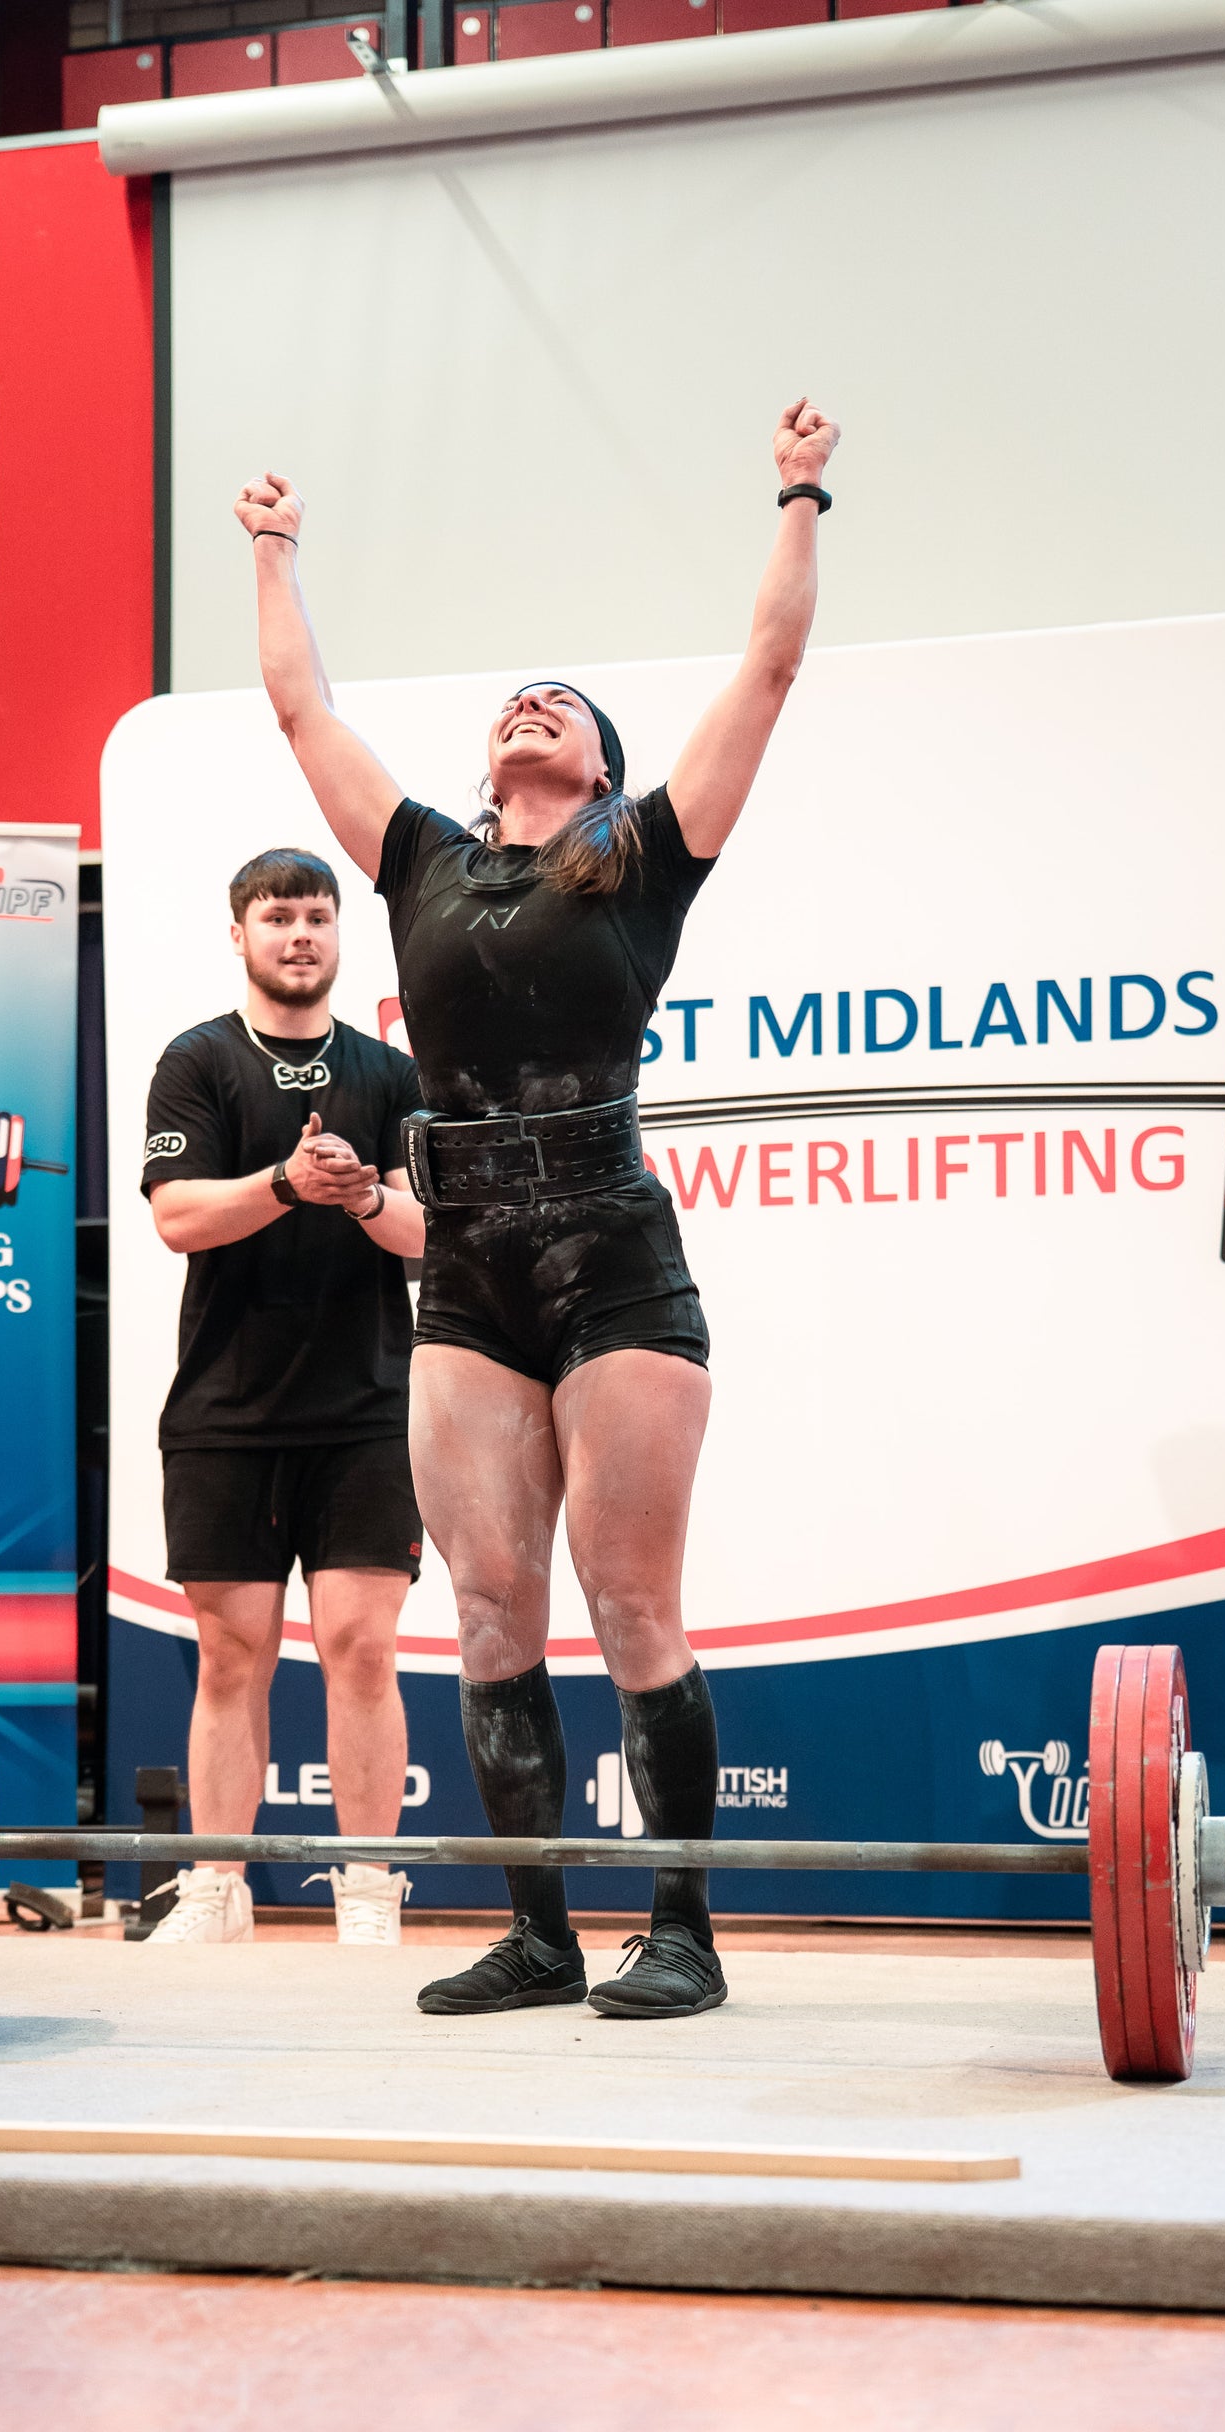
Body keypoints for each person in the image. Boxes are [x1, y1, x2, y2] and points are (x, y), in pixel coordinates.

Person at [233, 400, 840, 2019]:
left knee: (631, 1604)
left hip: (612, 1262)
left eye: (562, 706)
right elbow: (298, 706)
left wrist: (798, 494)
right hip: (468, 1274)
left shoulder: (643, 858)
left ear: (602, 772)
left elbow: (767, 669)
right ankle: (540, 1934)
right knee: (493, 1608)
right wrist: (275, 551)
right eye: (516, 700)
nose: (531, 704)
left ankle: (684, 1933)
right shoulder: (421, 860)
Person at [142, 847, 430, 1945]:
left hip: (367, 1410)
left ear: (339, 933)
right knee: (232, 1657)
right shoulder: (197, 1060)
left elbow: (427, 1237)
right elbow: (177, 1216)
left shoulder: (388, 1073)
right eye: (277, 917)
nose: (299, 934)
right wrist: (284, 1181)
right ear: (240, 935)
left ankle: (370, 1888)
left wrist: (358, 1196)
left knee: (362, 1648)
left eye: (316, 915)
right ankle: (216, 1887)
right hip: (226, 1411)